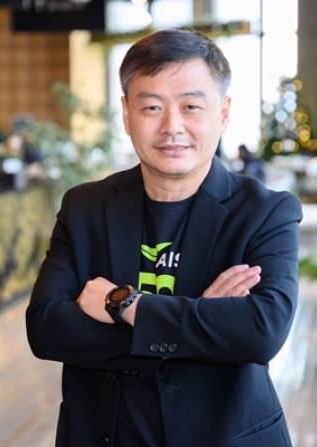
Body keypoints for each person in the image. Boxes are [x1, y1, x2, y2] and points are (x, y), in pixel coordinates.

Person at [27, 29, 302, 447]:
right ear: (126, 113)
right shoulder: (84, 208)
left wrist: (123, 304)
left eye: (191, 106)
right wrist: (204, 323)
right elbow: (47, 328)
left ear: (224, 112)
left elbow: (262, 332)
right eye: (152, 107)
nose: (172, 127)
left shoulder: (265, 212)